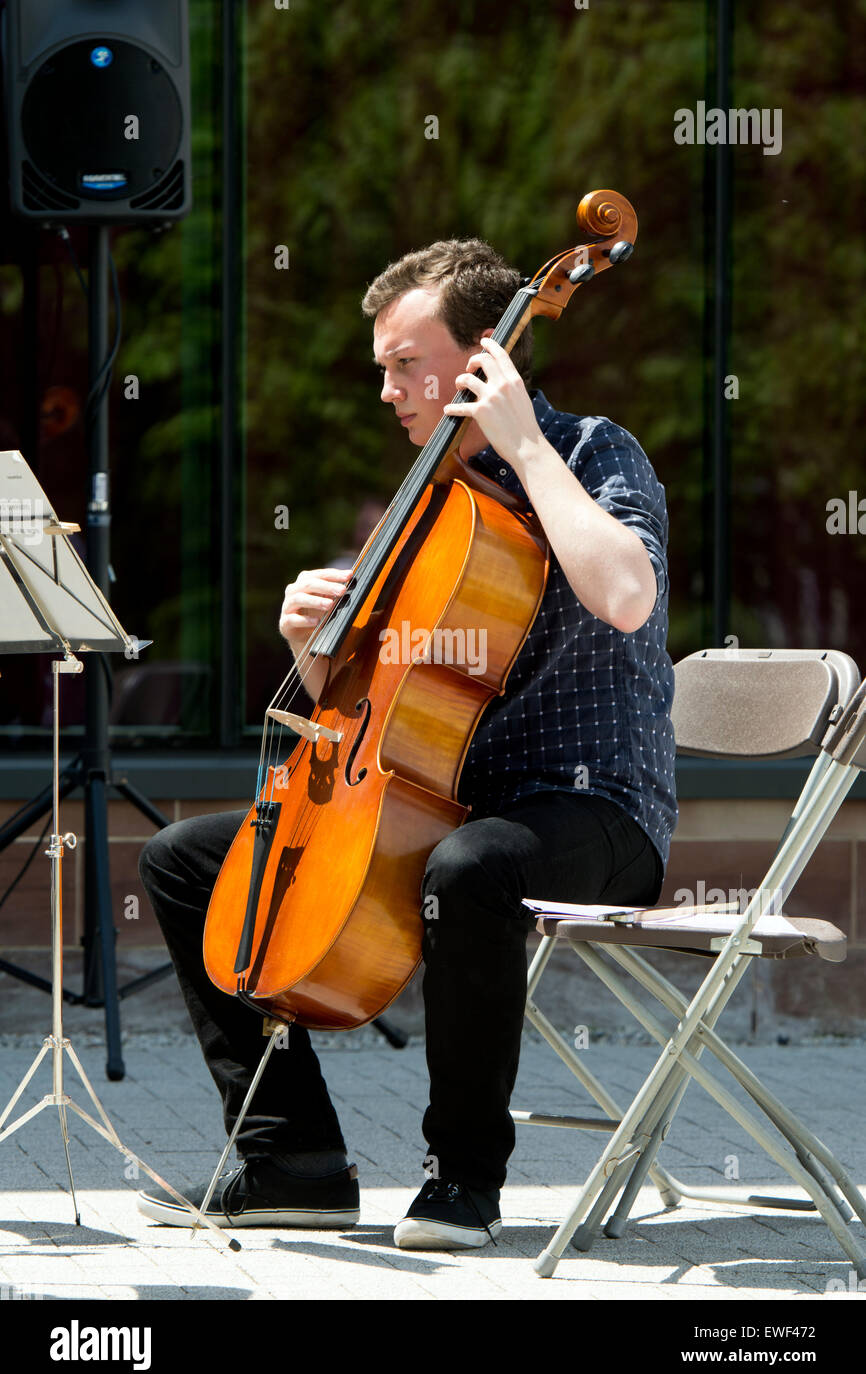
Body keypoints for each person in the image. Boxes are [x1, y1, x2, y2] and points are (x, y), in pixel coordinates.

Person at [136, 239, 677, 1251]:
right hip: (443, 803)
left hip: (590, 806)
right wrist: (309, 645)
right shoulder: (426, 504)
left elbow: (625, 594)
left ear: (483, 359)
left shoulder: (594, 452)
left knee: (468, 867)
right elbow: (370, 698)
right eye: (380, 366)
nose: (386, 389)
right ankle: (290, 1161)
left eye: (405, 363)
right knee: (186, 862)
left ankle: (461, 1176)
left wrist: (521, 446)